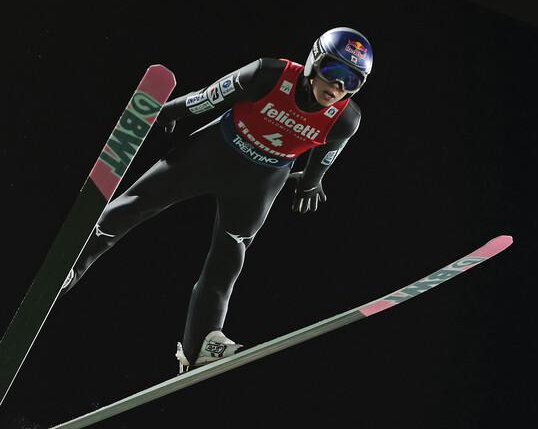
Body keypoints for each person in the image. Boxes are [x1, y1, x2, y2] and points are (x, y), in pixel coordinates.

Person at [59, 27, 374, 373]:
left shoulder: (345, 119)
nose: (338, 86)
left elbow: (326, 155)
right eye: (333, 70)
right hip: (212, 154)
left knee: (228, 257)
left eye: (352, 80)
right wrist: (165, 112)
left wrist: (311, 183)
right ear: (314, 60)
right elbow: (207, 97)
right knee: (137, 202)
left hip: (260, 183)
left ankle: (202, 345)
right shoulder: (269, 74)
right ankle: (72, 266)